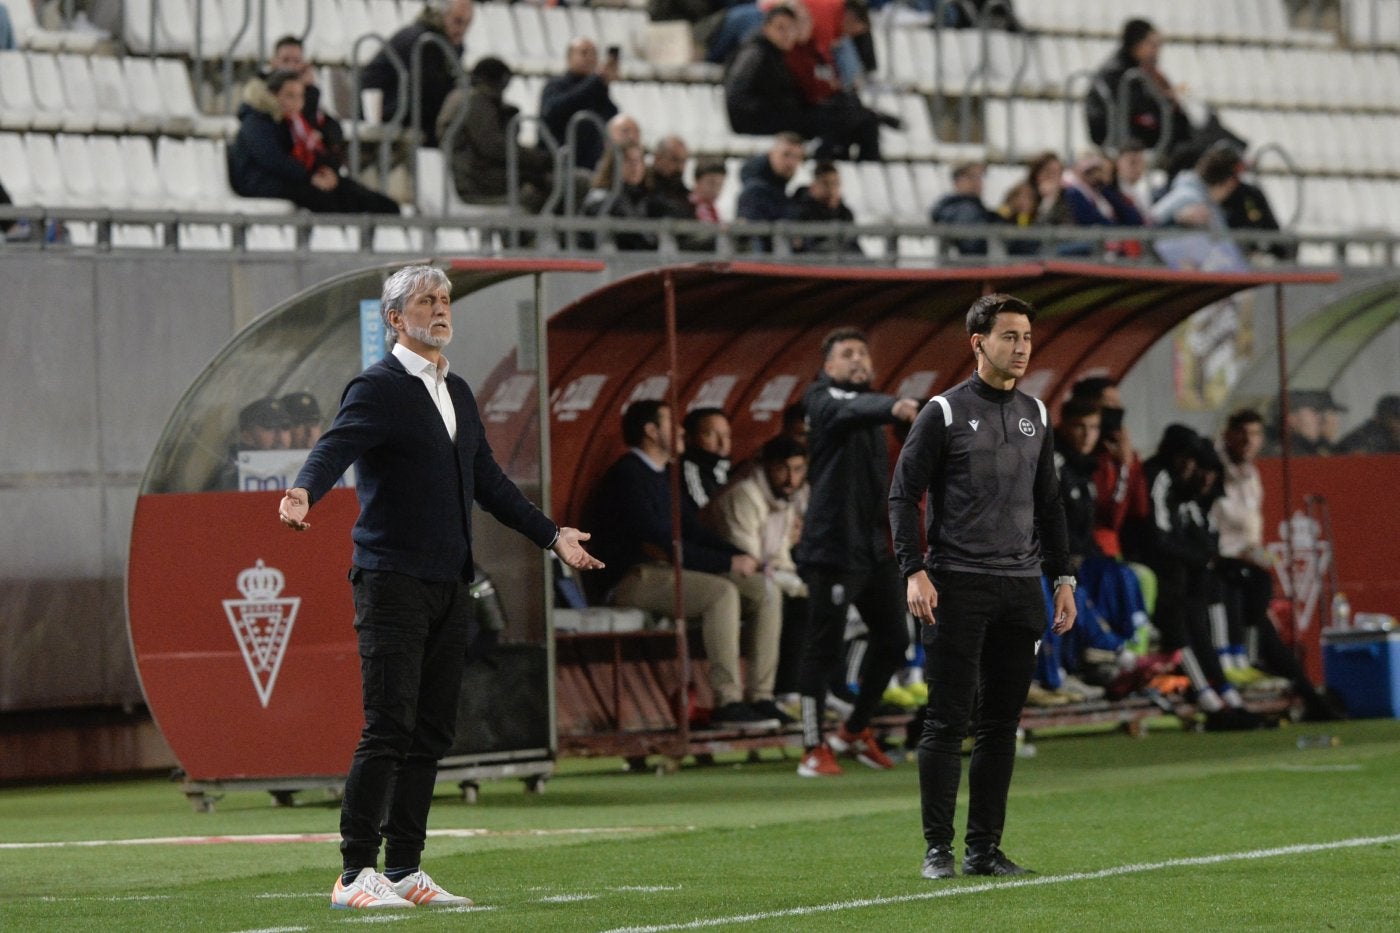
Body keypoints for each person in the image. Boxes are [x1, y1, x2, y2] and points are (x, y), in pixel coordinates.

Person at [277, 265, 603, 910]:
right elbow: (335, 446)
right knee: (388, 727)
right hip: (392, 580)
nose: (441, 308)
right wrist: (303, 490)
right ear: (396, 319)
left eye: (445, 299)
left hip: (450, 581)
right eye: (427, 300)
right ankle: (351, 875)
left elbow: (488, 480)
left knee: (431, 733)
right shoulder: (378, 386)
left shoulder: (455, 389)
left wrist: (549, 535)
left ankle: (403, 870)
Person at [888, 294, 1075, 880]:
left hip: (1021, 589)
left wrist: (1063, 579)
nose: (1021, 348)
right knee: (946, 720)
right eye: (1009, 337)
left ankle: (983, 850)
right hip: (957, 584)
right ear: (977, 343)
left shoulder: (1037, 414)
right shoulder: (942, 412)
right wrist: (913, 570)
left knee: (1001, 726)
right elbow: (902, 494)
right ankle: (937, 849)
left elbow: (1049, 504)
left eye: (1026, 337)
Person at [584, 400, 786, 730]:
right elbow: (662, 541)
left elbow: (693, 531)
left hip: (666, 572)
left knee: (764, 592)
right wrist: (726, 562)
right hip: (631, 577)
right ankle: (727, 701)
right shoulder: (628, 475)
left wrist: (741, 557)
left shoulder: (665, 477)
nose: (679, 431)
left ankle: (761, 696)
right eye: (671, 424)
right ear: (650, 431)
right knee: (721, 593)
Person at [792, 327, 918, 778]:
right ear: (828, 367)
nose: (858, 359)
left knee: (896, 640)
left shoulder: (871, 409)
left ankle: (854, 729)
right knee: (820, 650)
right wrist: (893, 406)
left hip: (872, 549)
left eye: (863, 352)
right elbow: (857, 406)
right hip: (832, 549)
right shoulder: (821, 400)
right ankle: (811, 747)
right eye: (847, 354)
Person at [704, 434, 811, 698]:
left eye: (797, 469)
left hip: (764, 571)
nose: (790, 478)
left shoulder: (785, 497)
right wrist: (792, 583)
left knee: (815, 597)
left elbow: (781, 555)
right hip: (726, 570)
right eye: (782, 469)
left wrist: (800, 583)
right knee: (774, 594)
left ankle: (799, 689)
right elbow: (747, 556)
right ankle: (769, 692)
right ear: (766, 467)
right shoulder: (745, 495)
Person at [228, 70, 400, 214]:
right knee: (327, 198)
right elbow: (273, 159)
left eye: (300, 96)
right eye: (290, 96)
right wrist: (311, 177)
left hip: (293, 178)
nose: (297, 103)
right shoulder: (257, 121)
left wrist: (326, 171)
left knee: (361, 196)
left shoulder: (292, 121)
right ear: (274, 95)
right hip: (260, 182)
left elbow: (320, 144)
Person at [723, 5, 881, 161]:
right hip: (759, 119)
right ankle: (826, 160)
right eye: (780, 28)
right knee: (840, 118)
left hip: (779, 113)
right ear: (766, 28)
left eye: (791, 29)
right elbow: (739, 99)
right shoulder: (756, 54)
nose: (787, 34)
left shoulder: (779, 52)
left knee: (854, 116)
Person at [436, 57, 556, 214]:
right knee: (549, 187)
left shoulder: (460, 96)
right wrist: (540, 160)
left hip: (469, 175)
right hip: (476, 182)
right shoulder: (475, 100)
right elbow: (494, 147)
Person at [359, 0, 474, 145]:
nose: (463, 30)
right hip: (389, 110)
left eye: (467, 24)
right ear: (443, 16)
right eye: (458, 21)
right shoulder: (423, 42)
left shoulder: (446, 43)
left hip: (407, 110)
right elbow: (427, 91)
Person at [541, 38, 620, 172]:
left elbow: (610, 114)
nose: (590, 59)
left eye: (594, 54)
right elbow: (556, 110)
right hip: (561, 163)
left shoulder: (596, 88)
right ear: (569, 57)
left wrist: (603, 86)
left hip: (592, 162)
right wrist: (595, 81)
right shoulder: (556, 85)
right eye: (584, 53)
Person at [580, 143, 658, 251]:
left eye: (638, 160)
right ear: (614, 164)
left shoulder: (648, 198)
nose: (634, 166)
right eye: (628, 161)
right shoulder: (601, 198)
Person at [1150, 143, 1241, 232]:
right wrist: (1177, 220)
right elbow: (1146, 228)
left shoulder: (1208, 202)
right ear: (1230, 183)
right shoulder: (1187, 196)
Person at [929, 160, 1001, 256]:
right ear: (957, 181)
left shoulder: (974, 208)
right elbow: (972, 245)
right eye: (971, 176)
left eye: (979, 177)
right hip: (970, 266)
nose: (977, 182)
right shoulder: (964, 209)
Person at [791, 160, 861, 255]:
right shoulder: (799, 211)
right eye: (826, 184)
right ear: (813, 185)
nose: (832, 189)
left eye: (835, 183)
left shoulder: (845, 213)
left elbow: (854, 246)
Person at [681, 406, 732, 511]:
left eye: (726, 435)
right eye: (711, 434)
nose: (722, 442)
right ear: (689, 438)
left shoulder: (728, 470)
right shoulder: (688, 471)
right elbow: (707, 516)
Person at [1263, 389, 1333, 457]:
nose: (1319, 419)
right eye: (1313, 412)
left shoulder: (1316, 448)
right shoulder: (1285, 454)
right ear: (1291, 418)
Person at [646, 135, 693, 220]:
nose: (680, 167)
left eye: (683, 161)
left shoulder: (684, 194)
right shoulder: (644, 186)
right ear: (658, 158)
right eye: (675, 159)